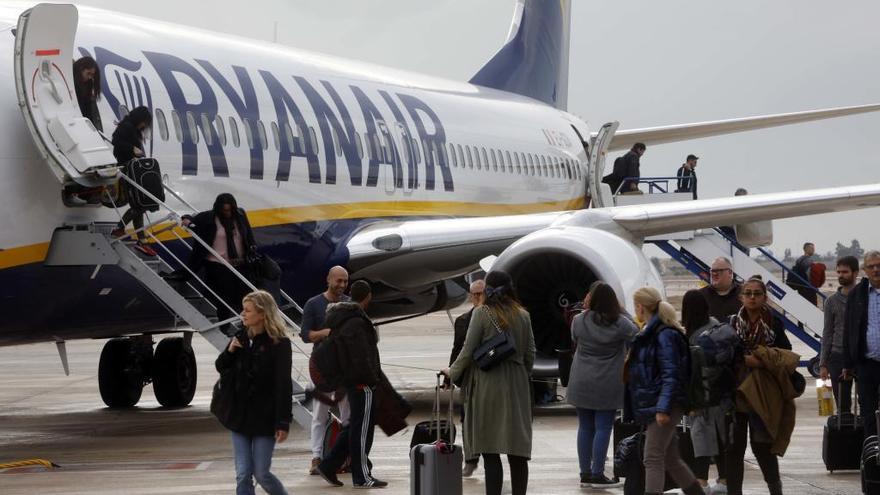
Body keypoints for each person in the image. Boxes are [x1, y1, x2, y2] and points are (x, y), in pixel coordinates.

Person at [442, 271, 536, 495]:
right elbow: (530, 354)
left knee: (490, 450)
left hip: (488, 384)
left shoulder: (482, 313)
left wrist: (451, 372)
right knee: (517, 452)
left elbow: (467, 351)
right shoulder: (523, 315)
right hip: (517, 386)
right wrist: (519, 374)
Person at [626, 287, 703, 495]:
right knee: (670, 458)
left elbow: (671, 375)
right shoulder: (652, 333)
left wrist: (663, 408)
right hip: (659, 402)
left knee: (652, 456)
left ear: (640, 307)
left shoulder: (663, 335)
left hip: (665, 404)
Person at [215, 290, 292, 495]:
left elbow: (283, 384)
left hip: (264, 418)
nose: (243, 314)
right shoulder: (240, 337)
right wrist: (230, 351)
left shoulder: (280, 344)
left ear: (262, 314)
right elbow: (221, 366)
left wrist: (283, 421)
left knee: (262, 474)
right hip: (239, 416)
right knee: (242, 473)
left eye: (248, 310)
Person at [725, 276, 794, 495]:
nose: (752, 297)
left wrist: (763, 359)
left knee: (762, 447)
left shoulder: (774, 323)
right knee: (734, 447)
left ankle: (775, 488)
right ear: (741, 297)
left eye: (757, 293)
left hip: (764, 392)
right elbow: (723, 354)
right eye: (748, 293)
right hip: (736, 391)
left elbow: (785, 354)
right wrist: (743, 360)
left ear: (765, 297)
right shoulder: (731, 323)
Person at [316, 280, 388, 489]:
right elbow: (361, 357)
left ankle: (329, 465)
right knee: (362, 431)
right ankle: (362, 476)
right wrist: (372, 380)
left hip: (351, 382)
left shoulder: (343, 318)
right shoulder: (356, 321)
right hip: (361, 383)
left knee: (354, 427)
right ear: (368, 297)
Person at [567, 281, 637, 488]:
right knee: (603, 427)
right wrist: (623, 311)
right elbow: (636, 334)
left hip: (581, 379)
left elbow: (574, 338)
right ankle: (598, 472)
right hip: (607, 381)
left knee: (585, 427)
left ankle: (585, 472)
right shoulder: (620, 323)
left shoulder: (578, 320)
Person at [173, 194, 257, 327]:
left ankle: (246, 327)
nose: (228, 213)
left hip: (240, 264)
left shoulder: (240, 215)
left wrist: (252, 248)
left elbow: (249, 234)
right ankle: (225, 327)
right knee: (224, 297)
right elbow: (190, 218)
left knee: (245, 297)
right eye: (224, 210)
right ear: (218, 209)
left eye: (230, 210)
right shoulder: (210, 217)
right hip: (219, 265)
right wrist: (188, 222)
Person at [300, 266, 351, 475]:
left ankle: (347, 458)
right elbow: (305, 335)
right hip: (321, 368)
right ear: (328, 280)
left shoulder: (350, 304)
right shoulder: (313, 304)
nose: (341, 285)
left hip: (343, 368)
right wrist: (326, 333)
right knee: (319, 415)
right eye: (338, 281)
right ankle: (316, 458)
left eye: (345, 281)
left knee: (348, 416)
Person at [680, 290, 728, 494]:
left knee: (700, 439)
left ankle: (701, 481)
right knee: (719, 438)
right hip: (721, 392)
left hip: (703, 394)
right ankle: (724, 480)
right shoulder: (716, 325)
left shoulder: (695, 335)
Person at [449, 278, 485, 477]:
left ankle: (488, 456)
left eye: (481, 293)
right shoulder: (463, 321)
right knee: (467, 420)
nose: (478, 297)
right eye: (475, 294)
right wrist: (452, 376)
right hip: (469, 378)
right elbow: (457, 350)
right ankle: (471, 459)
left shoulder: (494, 319)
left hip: (489, 377)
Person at [843, 251, 880, 438]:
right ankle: (872, 457)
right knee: (868, 413)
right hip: (867, 364)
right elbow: (849, 330)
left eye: (878, 265)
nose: (876, 269)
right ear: (864, 270)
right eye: (871, 266)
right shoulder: (857, 295)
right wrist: (847, 363)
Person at [110, 106, 155, 256]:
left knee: (139, 204)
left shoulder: (132, 129)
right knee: (140, 204)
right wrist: (132, 149)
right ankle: (120, 228)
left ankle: (141, 240)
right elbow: (115, 142)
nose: (145, 126)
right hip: (128, 170)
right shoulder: (127, 126)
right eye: (144, 122)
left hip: (134, 170)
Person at [820, 256, 859, 414]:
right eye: (839, 272)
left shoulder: (864, 297)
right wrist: (823, 363)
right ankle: (844, 436)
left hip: (861, 356)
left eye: (845, 272)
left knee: (869, 403)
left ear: (855, 273)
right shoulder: (831, 301)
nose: (841, 275)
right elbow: (827, 332)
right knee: (842, 406)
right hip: (837, 356)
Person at [73, 56, 103, 132]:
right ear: (81, 69)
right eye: (88, 73)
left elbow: (87, 110)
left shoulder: (88, 85)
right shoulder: (72, 82)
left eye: (92, 75)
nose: (90, 77)